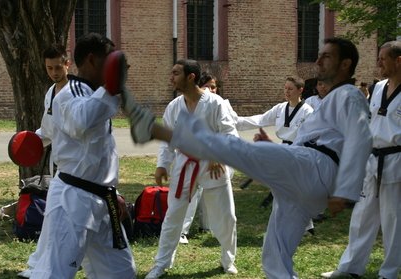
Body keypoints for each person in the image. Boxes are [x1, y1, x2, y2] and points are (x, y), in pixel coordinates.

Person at [115, 37, 373, 278]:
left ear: (345, 64)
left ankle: (157, 130)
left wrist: (346, 191)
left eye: (326, 57)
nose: (318, 61)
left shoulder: (348, 95)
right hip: (304, 180)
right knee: (275, 254)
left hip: (315, 167)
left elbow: (360, 138)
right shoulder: (329, 100)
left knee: (242, 153)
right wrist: (273, 148)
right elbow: (320, 138)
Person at [31, 33, 136, 279]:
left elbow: (99, 153)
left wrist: (113, 191)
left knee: (121, 272)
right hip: (73, 200)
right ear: (92, 60)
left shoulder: (92, 93)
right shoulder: (69, 92)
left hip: (103, 199)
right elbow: (81, 122)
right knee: (54, 273)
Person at [145, 59, 239, 278]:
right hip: (184, 165)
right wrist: (162, 165)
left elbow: (230, 134)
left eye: (176, 73)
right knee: (173, 216)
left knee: (226, 217)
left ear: (191, 77)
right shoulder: (174, 106)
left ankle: (228, 259)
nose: (171, 77)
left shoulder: (215, 103)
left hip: (214, 165)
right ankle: (161, 263)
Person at [321, 40, 401, 279]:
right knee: (362, 216)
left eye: (383, 59)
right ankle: (350, 267)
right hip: (372, 159)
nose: (378, 63)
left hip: (396, 160)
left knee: (393, 220)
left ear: (399, 61)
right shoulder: (378, 89)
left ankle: (388, 272)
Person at [17, 43, 70, 278]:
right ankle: (40, 263)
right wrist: (27, 143)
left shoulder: (78, 92)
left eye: (58, 67)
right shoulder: (50, 92)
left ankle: (56, 262)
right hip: (58, 165)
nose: (54, 72)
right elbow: (47, 131)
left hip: (79, 167)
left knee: (71, 216)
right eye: (49, 68)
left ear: (67, 64)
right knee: (54, 214)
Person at [236, 77, 315, 226]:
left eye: (290, 89)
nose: (287, 92)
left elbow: (311, 136)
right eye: (285, 88)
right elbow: (260, 120)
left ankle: (303, 223)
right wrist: (236, 121)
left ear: (300, 90)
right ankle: (297, 223)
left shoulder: (307, 112)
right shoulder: (280, 108)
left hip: (298, 153)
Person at [180, 72, 220, 244]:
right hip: (193, 156)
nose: (211, 89)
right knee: (191, 193)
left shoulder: (218, 104)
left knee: (210, 192)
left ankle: (207, 225)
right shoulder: (189, 104)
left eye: (214, 86)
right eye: (208, 86)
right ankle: (182, 231)